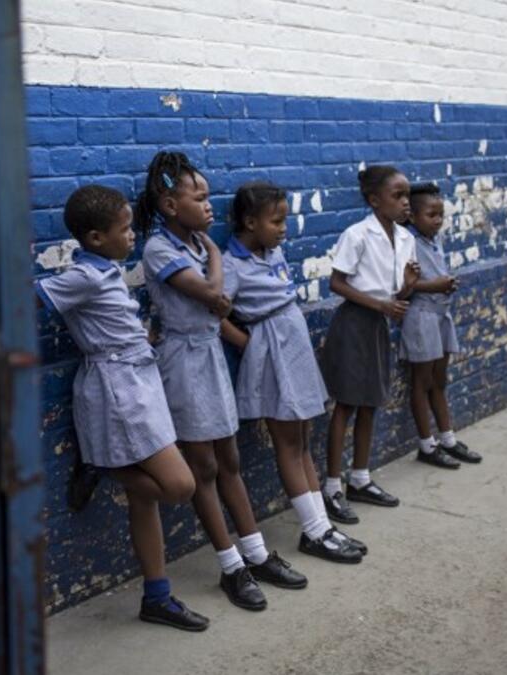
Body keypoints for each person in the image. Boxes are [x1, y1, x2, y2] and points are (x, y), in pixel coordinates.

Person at [137, 152, 308, 610]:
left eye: (210, 197)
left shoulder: (191, 246)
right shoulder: (161, 249)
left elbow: (222, 306)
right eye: (201, 197)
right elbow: (216, 296)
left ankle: (255, 552)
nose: (211, 206)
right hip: (183, 362)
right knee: (204, 468)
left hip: (210, 354)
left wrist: (209, 265)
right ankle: (231, 566)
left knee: (229, 459)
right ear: (171, 206)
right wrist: (215, 252)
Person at [34, 184, 208, 631]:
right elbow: (37, 295)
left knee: (142, 500)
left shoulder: (106, 271)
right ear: (94, 238)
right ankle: (98, 464)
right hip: (119, 389)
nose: (132, 235)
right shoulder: (84, 277)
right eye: (125, 229)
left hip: (139, 379)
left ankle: (157, 596)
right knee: (179, 486)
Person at [221, 181, 366, 565]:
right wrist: (248, 344)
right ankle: (314, 531)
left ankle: (321, 525)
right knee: (287, 441)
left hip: (294, 347)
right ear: (250, 222)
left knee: (302, 437)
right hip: (272, 353)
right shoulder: (231, 265)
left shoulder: (272, 251)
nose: (284, 228)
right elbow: (215, 315)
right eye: (276, 221)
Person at [318, 165, 420, 523]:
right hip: (354, 323)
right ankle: (332, 488)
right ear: (375, 200)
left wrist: (406, 286)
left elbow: (395, 294)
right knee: (346, 404)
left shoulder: (406, 239)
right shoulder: (357, 234)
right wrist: (382, 304)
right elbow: (337, 283)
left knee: (371, 402)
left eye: (408, 195)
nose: (406, 203)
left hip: (378, 324)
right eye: (398, 196)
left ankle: (359, 478)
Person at [401, 183, 482, 469]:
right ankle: (427, 445)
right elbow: (400, 288)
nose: (437, 220)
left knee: (439, 380)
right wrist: (436, 285)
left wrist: (445, 284)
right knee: (421, 382)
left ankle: (447, 438)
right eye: (431, 215)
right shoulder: (406, 242)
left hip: (440, 315)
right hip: (421, 316)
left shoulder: (433, 240)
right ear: (412, 216)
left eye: (441, 215)